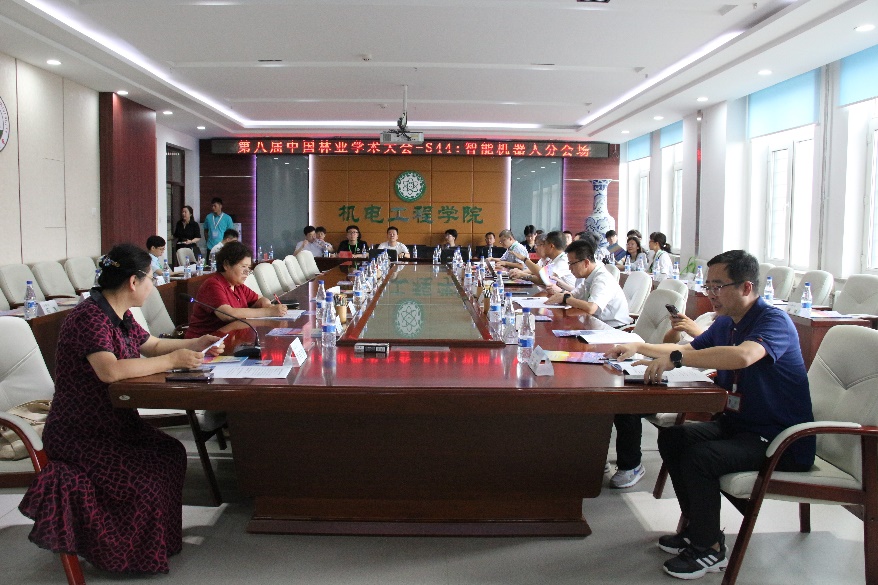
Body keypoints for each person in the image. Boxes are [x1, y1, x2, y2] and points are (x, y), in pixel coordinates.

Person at [604, 250, 815, 580]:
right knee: (674, 437)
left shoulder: (773, 321)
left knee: (701, 458)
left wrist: (677, 360)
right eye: (708, 285)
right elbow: (688, 349)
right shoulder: (727, 323)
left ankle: (709, 549)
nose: (710, 293)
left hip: (780, 440)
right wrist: (639, 347)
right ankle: (699, 530)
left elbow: (744, 356)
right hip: (739, 426)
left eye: (718, 286)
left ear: (746, 287)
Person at [18, 244, 224, 574]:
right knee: (144, 479)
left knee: (170, 453)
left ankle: (157, 544)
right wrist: (172, 360)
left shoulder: (120, 314)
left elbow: (152, 345)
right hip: (81, 435)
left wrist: (195, 343)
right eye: (151, 278)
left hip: (117, 424)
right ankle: (123, 555)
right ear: (133, 281)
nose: (153, 285)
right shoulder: (89, 318)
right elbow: (110, 371)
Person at [185, 241, 287, 338]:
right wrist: (268, 312)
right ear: (226, 265)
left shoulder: (238, 286)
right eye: (243, 267)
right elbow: (228, 314)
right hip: (204, 343)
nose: (247, 272)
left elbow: (260, 299)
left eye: (249, 268)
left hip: (229, 338)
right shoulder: (213, 285)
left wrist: (267, 305)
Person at [545, 239, 631, 328]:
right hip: (596, 323)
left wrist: (566, 298)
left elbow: (591, 308)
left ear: (586, 262)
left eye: (572, 264)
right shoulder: (589, 277)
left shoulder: (602, 278)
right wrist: (561, 295)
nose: (570, 268)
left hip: (613, 328)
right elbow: (574, 295)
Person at [507, 231, 575, 290]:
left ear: (551, 246)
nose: (543, 247)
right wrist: (521, 274)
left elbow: (544, 277)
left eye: (544, 244)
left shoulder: (563, 261)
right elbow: (541, 278)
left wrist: (524, 259)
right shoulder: (554, 259)